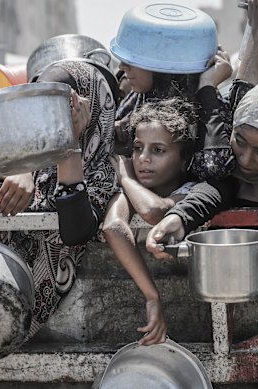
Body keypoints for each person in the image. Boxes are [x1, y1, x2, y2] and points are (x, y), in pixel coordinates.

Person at [0, 59, 116, 338]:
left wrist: (70, 147)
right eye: (43, 103)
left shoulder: (105, 168)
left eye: (61, 103)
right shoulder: (22, 162)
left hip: (69, 329)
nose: (50, 114)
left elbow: (75, 232)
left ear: (92, 104)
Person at [145, 0, 258, 260]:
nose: (245, 160)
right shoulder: (229, 172)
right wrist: (178, 218)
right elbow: (213, 190)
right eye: (239, 141)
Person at [103, 98, 197, 346]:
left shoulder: (192, 190)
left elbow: (155, 211)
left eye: (158, 150)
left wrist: (126, 178)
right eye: (137, 148)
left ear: (184, 160)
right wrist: (152, 296)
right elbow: (113, 226)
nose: (143, 158)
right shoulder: (130, 191)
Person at [111, 3, 234, 181]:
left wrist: (207, 86)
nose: (122, 66)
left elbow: (213, 168)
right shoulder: (138, 99)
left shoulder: (209, 108)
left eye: (134, 59)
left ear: (163, 68)